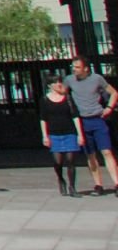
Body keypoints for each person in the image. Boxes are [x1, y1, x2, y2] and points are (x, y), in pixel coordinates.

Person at [63, 57, 116, 195]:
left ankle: (116, 183)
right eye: (73, 67)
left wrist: (109, 108)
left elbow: (114, 93)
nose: (74, 69)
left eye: (77, 67)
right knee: (90, 154)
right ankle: (98, 185)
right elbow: (62, 93)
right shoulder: (69, 80)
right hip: (83, 121)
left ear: (86, 68)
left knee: (106, 151)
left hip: (98, 119)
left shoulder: (97, 79)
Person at [44, 78, 86, 197]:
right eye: (55, 82)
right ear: (49, 86)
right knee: (58, 162)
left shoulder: (68, 98)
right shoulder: (45, 100)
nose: (58, 84)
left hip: (70, 132)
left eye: (59, 82)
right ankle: (60, 178)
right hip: (54, 133)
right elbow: (43, 119)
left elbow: (75, 116)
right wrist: (45, 136)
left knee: (71, 160)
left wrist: (80, 134)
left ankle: (72, 187)